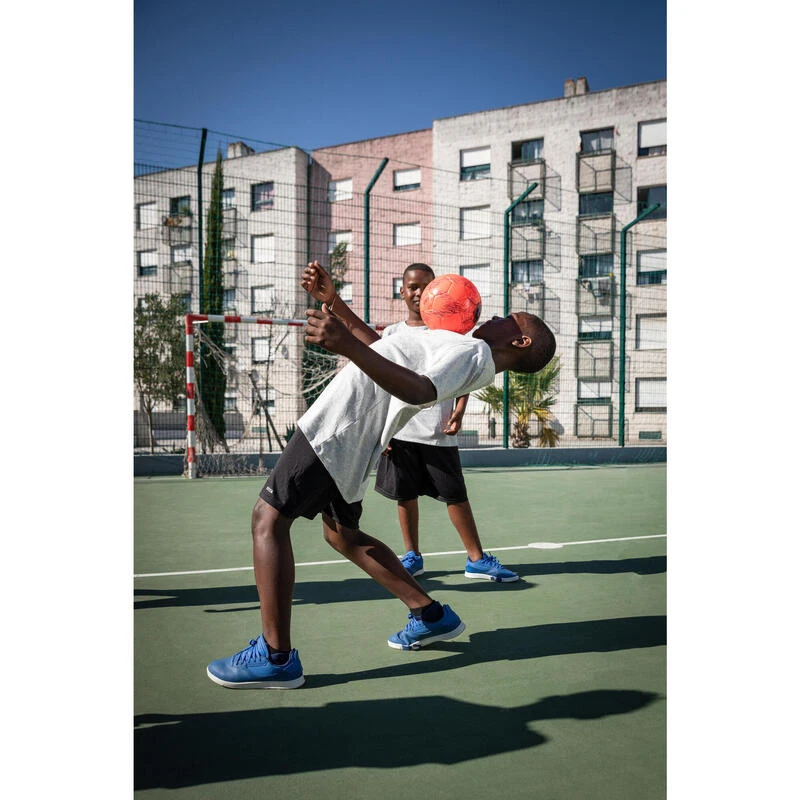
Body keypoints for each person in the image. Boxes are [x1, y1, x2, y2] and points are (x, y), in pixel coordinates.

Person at [206, 261, 556, 689]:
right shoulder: (456, 344)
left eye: (507, 320)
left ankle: (277, 657)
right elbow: (383, 348)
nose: (495, 317)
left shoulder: (473, 353)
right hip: (353, 435)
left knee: (268, 518)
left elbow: (419, 390)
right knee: (342, 535)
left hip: (340, 430)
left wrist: (345, 347)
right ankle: (429, 614)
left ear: (518, 341)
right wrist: (334, 303)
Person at [375, 263, 519, 582]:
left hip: (437, 433)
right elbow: (384, 382)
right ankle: (412, 556)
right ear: (402, 291)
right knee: (405, 495)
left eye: (425, 287)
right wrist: (383, 430)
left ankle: (476, 558)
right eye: (412, 286)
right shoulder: (392, 334)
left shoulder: (448, 332)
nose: (418, 292)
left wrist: (460, 410)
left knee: (455, 495)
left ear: (434, 293)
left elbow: (462, 376)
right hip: (401, 432)